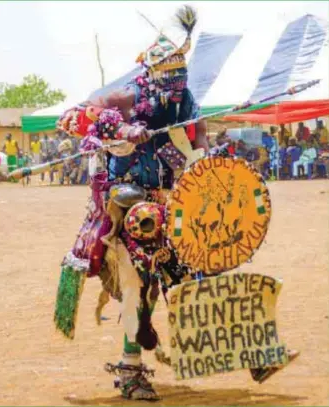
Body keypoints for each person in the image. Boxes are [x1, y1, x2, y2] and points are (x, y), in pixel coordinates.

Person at [55, 5, 297, 401]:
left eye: (180, 76)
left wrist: (204, 167)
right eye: (169, 76)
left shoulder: (183, 100)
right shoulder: (125, 95)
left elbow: (198, 136)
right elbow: (74, 117)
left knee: (201, 270)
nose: (175, 85)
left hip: (177, 201)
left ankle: (251, 353)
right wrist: (120, 128)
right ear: (151, 73)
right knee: (140, 285)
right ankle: (130, 369)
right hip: (131, 206)